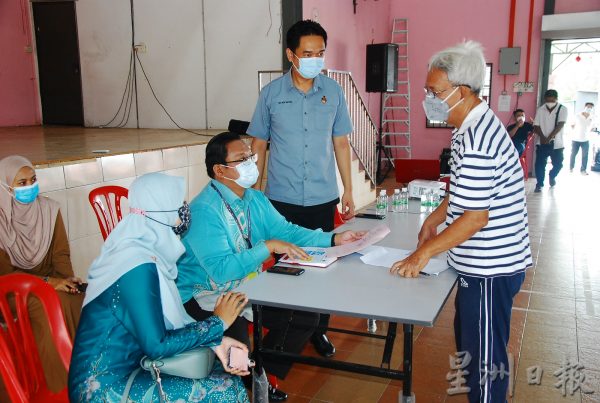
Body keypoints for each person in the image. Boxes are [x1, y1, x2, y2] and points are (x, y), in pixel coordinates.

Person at [389, 41, 532, 403]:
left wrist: (421, 256)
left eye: (435, 91)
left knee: (483, 359)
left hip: (490, 269)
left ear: (462, 91)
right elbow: (467, 193)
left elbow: (475, 218)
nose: (429, 98)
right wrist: (434, 219)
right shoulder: (468, 126)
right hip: (480, 266)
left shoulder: (479, 138)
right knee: (474, 348)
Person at [176, 132, 365, 402]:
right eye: (241, 159)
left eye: (250, 156)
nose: (250, 163)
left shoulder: (254, 199)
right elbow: (221, 271)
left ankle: (258, 373)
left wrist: (333, 238)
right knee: (237, 336)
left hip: (244, 284)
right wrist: (268, 247)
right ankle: (240, 382)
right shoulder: (206, 210)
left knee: (304, 316)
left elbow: (286, 231)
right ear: (220, 170)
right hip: (202, 294)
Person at [68, 173, 250, 402]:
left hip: (136, 365)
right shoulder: (135, 264)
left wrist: (217, 341)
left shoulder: (145, 253)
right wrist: (217, 324)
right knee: (224, 391)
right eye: (177, 204)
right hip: (103, 387)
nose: (184, 211)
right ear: (160, 210)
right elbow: (157, 344)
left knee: (223, 379)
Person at [248, 19, 354, 359]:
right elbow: (259, 145)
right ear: (291, 54)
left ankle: (318, 331)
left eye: (320, 53)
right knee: (283, 267)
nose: (315, 59)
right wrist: (250, 193)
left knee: (322, 264)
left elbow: (340, 143)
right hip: (281, 197)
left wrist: (348, 189)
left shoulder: (333, 91)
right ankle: (281, 335)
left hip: (323, 197)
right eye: (307, 53)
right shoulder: (271, 95)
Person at [0, 155, 84, 396]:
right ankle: (59, 386)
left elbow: (61, 254)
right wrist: (48, 283)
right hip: (11, 293)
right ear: (6, 187)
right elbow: (6, 274)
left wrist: (65, 280)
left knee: (78, 297)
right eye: (22, 183)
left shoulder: (49, 209)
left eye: (33, 180)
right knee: (45, 304)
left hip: (50, 284)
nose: (30, 187)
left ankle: (85, 372)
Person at [533, 89, 568, 192]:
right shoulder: (540, 110)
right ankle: (539, 184)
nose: (550, 103)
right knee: (539, 164)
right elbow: (536, 125)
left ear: (556, 99)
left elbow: (560, 124)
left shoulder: (562, 109)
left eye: (552, 100)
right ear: (545, 99)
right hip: (542, 142)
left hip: (557, 143)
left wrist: (549, 137)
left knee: (558, 164)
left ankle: (552, 175)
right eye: (548, 100)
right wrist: (543, 138)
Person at [570, 102, 595, 175]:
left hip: (585, 139)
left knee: (585, 155)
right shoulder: (578, 115)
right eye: (588, 107)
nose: (589, 109)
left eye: (591, 107)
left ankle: (583, 170)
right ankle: (571, 168)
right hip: (575, 139)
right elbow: (572, 125)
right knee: (573, 154)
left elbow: (592, 127)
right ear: (585, 107)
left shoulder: (592, 117)